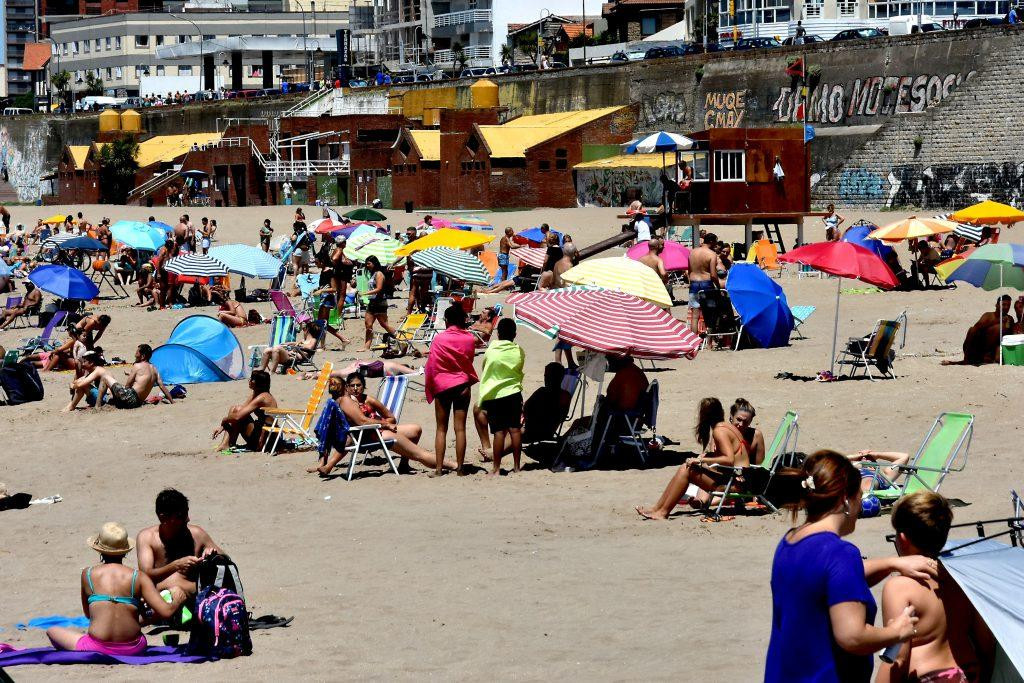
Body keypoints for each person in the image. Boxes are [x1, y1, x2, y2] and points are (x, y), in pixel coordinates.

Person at [764, 450, 922, 682]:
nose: (860, 505)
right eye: (859, 495)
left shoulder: (790, 541)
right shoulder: (841, 554)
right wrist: (897, 631)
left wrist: (891, 563)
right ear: (845, 500)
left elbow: (827, 581)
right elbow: (852, 637)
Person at [877, 492, 994, 683]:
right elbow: (986, 644)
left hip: (930, 677)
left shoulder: (899, 587)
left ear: (903, 539)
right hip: (969, 672)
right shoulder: (962, 578)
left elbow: (897, 656)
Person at [45, 522, 182, 656]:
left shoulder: (88, 574)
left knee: (52, 631)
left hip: (96, 646)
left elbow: (88, 615)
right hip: (133, 647)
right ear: (125, 551)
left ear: (99, 549)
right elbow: (166, 612)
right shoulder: (137, 577)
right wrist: (177, 599)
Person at [308, 374, 454, 476]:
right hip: (374, 434)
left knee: (415, 430)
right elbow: (362, 421)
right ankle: (453, 465)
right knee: (419, 454)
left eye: (358, 385)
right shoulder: (347, 401)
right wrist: (384, 424)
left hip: (368, 433)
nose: (355, 388)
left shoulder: (340, 401)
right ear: (346, 387)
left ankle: (404, 464)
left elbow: (389, 417)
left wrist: (385, 423)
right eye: (352, 386)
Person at [635, 397, 749, 520]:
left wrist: (701, 460)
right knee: (687, 467)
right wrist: (706, 457)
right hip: (739, 479)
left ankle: (662, 512)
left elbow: (729, 459)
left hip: (736, 485)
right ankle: (657, 509)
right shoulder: (727, 427)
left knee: (687, 469)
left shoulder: (719, 431)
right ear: (721, 411)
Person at [136, 488, 223, 612]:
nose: (187, 519)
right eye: (181, 516)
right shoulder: (147, 537)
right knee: (167, 586)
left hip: (194, 597)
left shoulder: (196, 534)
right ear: (163, 518)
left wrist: (213, 554)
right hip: (163, 599)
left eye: (186, 513)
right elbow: (145, 575)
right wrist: (176, 565)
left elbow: (227, 562)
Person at [424, 304, 478, 476]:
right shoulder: (469, 338)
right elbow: (468, 361)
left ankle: (439, 469)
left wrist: (430, 387)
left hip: (443, 385)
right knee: (460, 428)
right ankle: (461, 469)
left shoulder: (439, 339)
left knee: (441, 428)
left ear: (447, 320)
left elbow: (432, 365)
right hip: (462, 385)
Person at [472, 319, 526, 476]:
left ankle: (496, 468)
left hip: (495, 394)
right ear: (514, 335)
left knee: (499, 432)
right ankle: (516, 467)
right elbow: (519, 367)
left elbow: (486, 367)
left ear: (498, 333)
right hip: (514, 393)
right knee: (515, 430)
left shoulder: (492, 349)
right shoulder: (518, 351)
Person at [64, 346, 174, 412]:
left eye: (137, 352)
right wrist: (172, 401)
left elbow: (128, 385)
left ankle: (97, 407)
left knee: (105, 378)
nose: (135, 354)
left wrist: (119, 392)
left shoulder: (137, 366)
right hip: (138, 403)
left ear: (143, 355)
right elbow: (162, 386)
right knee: (110, 382)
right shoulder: (154, 368)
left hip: (130, 398)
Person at [212, 370, 277, 450]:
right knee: (235, 408)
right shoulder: (255, 395)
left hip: (266, 439)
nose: (249, 381)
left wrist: (224, 420)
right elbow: (239, 413)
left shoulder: (263, 397)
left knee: (237, 411)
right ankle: (227, 443)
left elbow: (237, 417)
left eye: (253, 379)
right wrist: (222, 426)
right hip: (260, 433)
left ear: (259, 383)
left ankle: (227, 444)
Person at [942, 295, 1014, 365]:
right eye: (1003, 304)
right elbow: (975, 329)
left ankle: (987, 357)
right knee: (972, 329)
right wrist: (997, 321)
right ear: (997, 305)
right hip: (978, 347)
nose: (1006, 307)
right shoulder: (988, 315)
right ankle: (967, 359)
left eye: (1008, 305)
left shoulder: (1009, 319)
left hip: (994, 350)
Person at [361, 255, 397, 351]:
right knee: (368, 325)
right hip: (372, 302)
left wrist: (365, 293)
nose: (367, 266)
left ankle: (398, 337)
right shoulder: (372, 274)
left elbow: (379, 288)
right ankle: (366, 347)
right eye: (366, 264)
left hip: (380, 302)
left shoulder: (379, 274)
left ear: (374, 263)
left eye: (369, 264)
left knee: (384, 324)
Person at [687, 232, 721, 332]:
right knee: (709, 314)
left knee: (694, 315)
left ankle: (694, 342)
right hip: (706, 283)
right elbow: (713, 275)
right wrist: (718, 287)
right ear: (711, 241)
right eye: (715, 242)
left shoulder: (692, 252)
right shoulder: (712, 254)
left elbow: (689, 270)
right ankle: (709, 344)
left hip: (694, 283)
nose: (716, 244)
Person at [330, 234, 354, 321]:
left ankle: (336, 314)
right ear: (342, 243)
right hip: (341, 275)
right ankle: (338, 315)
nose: (346, 243)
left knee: (338, 294)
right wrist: (341, 264)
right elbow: (335, 259)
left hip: (337, 273)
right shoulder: (339, 250)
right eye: (345, 241)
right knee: (342, 295)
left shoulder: (338, 249)